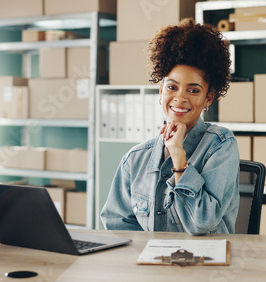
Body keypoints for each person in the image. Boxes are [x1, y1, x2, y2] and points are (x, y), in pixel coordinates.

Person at [100, 18, 239, 235]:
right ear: (160, 92)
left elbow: (202, 222)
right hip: (153, 266)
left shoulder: (220, 145)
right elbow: (117, 225)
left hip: (206, 266)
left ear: (208, 98)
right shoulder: (135, 159)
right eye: (172, 87)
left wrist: (178, 157)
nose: (180, 98)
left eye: (193, 90)